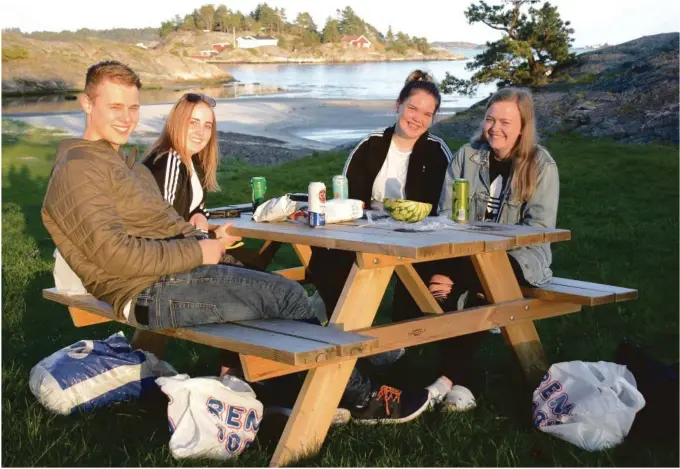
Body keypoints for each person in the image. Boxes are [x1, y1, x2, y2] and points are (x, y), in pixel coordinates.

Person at [307, 70, 453, 423]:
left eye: (426, 113)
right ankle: (346, 336)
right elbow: (345, 196)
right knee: (328, 258)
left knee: (416, 282)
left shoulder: (437, 151)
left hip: (417, 236)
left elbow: (443, 206)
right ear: (398, 105)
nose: (417, 118)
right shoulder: (371, 144)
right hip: (365, 233)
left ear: (432, 118)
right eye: (412, 108)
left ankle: (394, 351)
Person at [411, 87, 560, 411]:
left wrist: (486, 248)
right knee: (433, 276)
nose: (495, 128)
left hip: (522, 256)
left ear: (523, 126)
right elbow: (446, 214)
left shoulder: (541, 166)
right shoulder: (468, 155)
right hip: (467, 252)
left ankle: (447, 380)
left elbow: (539, 230)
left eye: (505, 122)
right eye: (490, 119)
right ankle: (461, 383)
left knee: (474, 281)